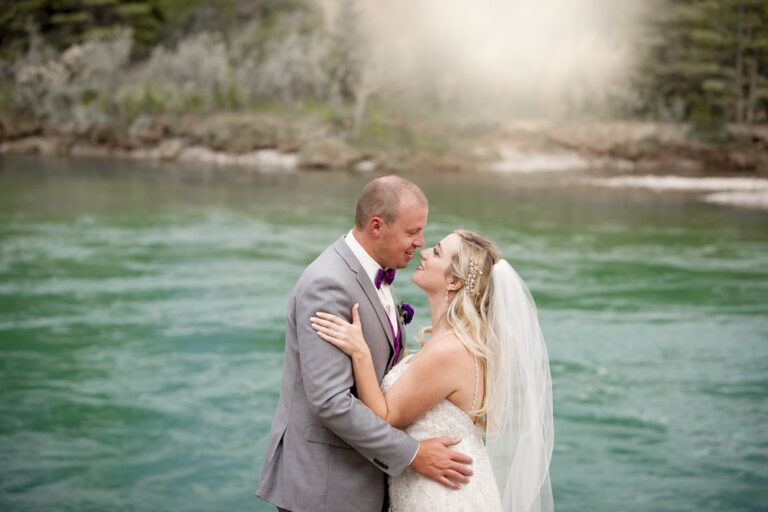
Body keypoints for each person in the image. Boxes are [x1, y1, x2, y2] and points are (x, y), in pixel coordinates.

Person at [255, 176, 474, 512]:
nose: (420, 241)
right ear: (376, 226)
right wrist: (413, 454)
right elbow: (330, 401)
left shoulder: (377, 270)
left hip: (362, 482)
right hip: (327, 488)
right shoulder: (329, 284)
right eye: (412, 232)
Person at [310, 230, 554, 512]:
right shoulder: (451, 344)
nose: (424, 252)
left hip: (442, 497)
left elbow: (385, 418)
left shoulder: (448, 351)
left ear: (453, 281)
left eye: (436, 251)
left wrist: (360, 352)